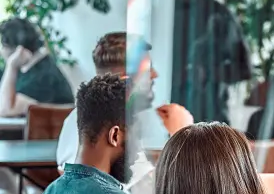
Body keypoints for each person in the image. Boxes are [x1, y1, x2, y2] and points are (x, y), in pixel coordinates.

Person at [57, 32, 194, 172]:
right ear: (125, 79)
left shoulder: (150, 118)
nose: (155, 74)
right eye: (148, 70)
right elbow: (129, 184)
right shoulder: (87, 121)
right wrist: (182, 136)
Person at [0, 17, 74, 116]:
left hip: (46, 131)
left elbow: (5, 110)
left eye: (3, 46)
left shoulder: (43, 77)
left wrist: (11, 65)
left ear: (18, 50)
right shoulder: (31, 71)